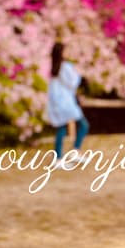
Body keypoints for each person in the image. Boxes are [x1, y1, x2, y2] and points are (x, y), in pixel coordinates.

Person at [46, 42, 91, 170]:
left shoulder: (55, 67)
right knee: (82, 125)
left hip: (58, 101)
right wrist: (77, 74)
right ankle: (69, 154)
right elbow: (72, 83)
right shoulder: (65, 67)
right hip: (65, 102)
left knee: (62, 128)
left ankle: (61, 156)